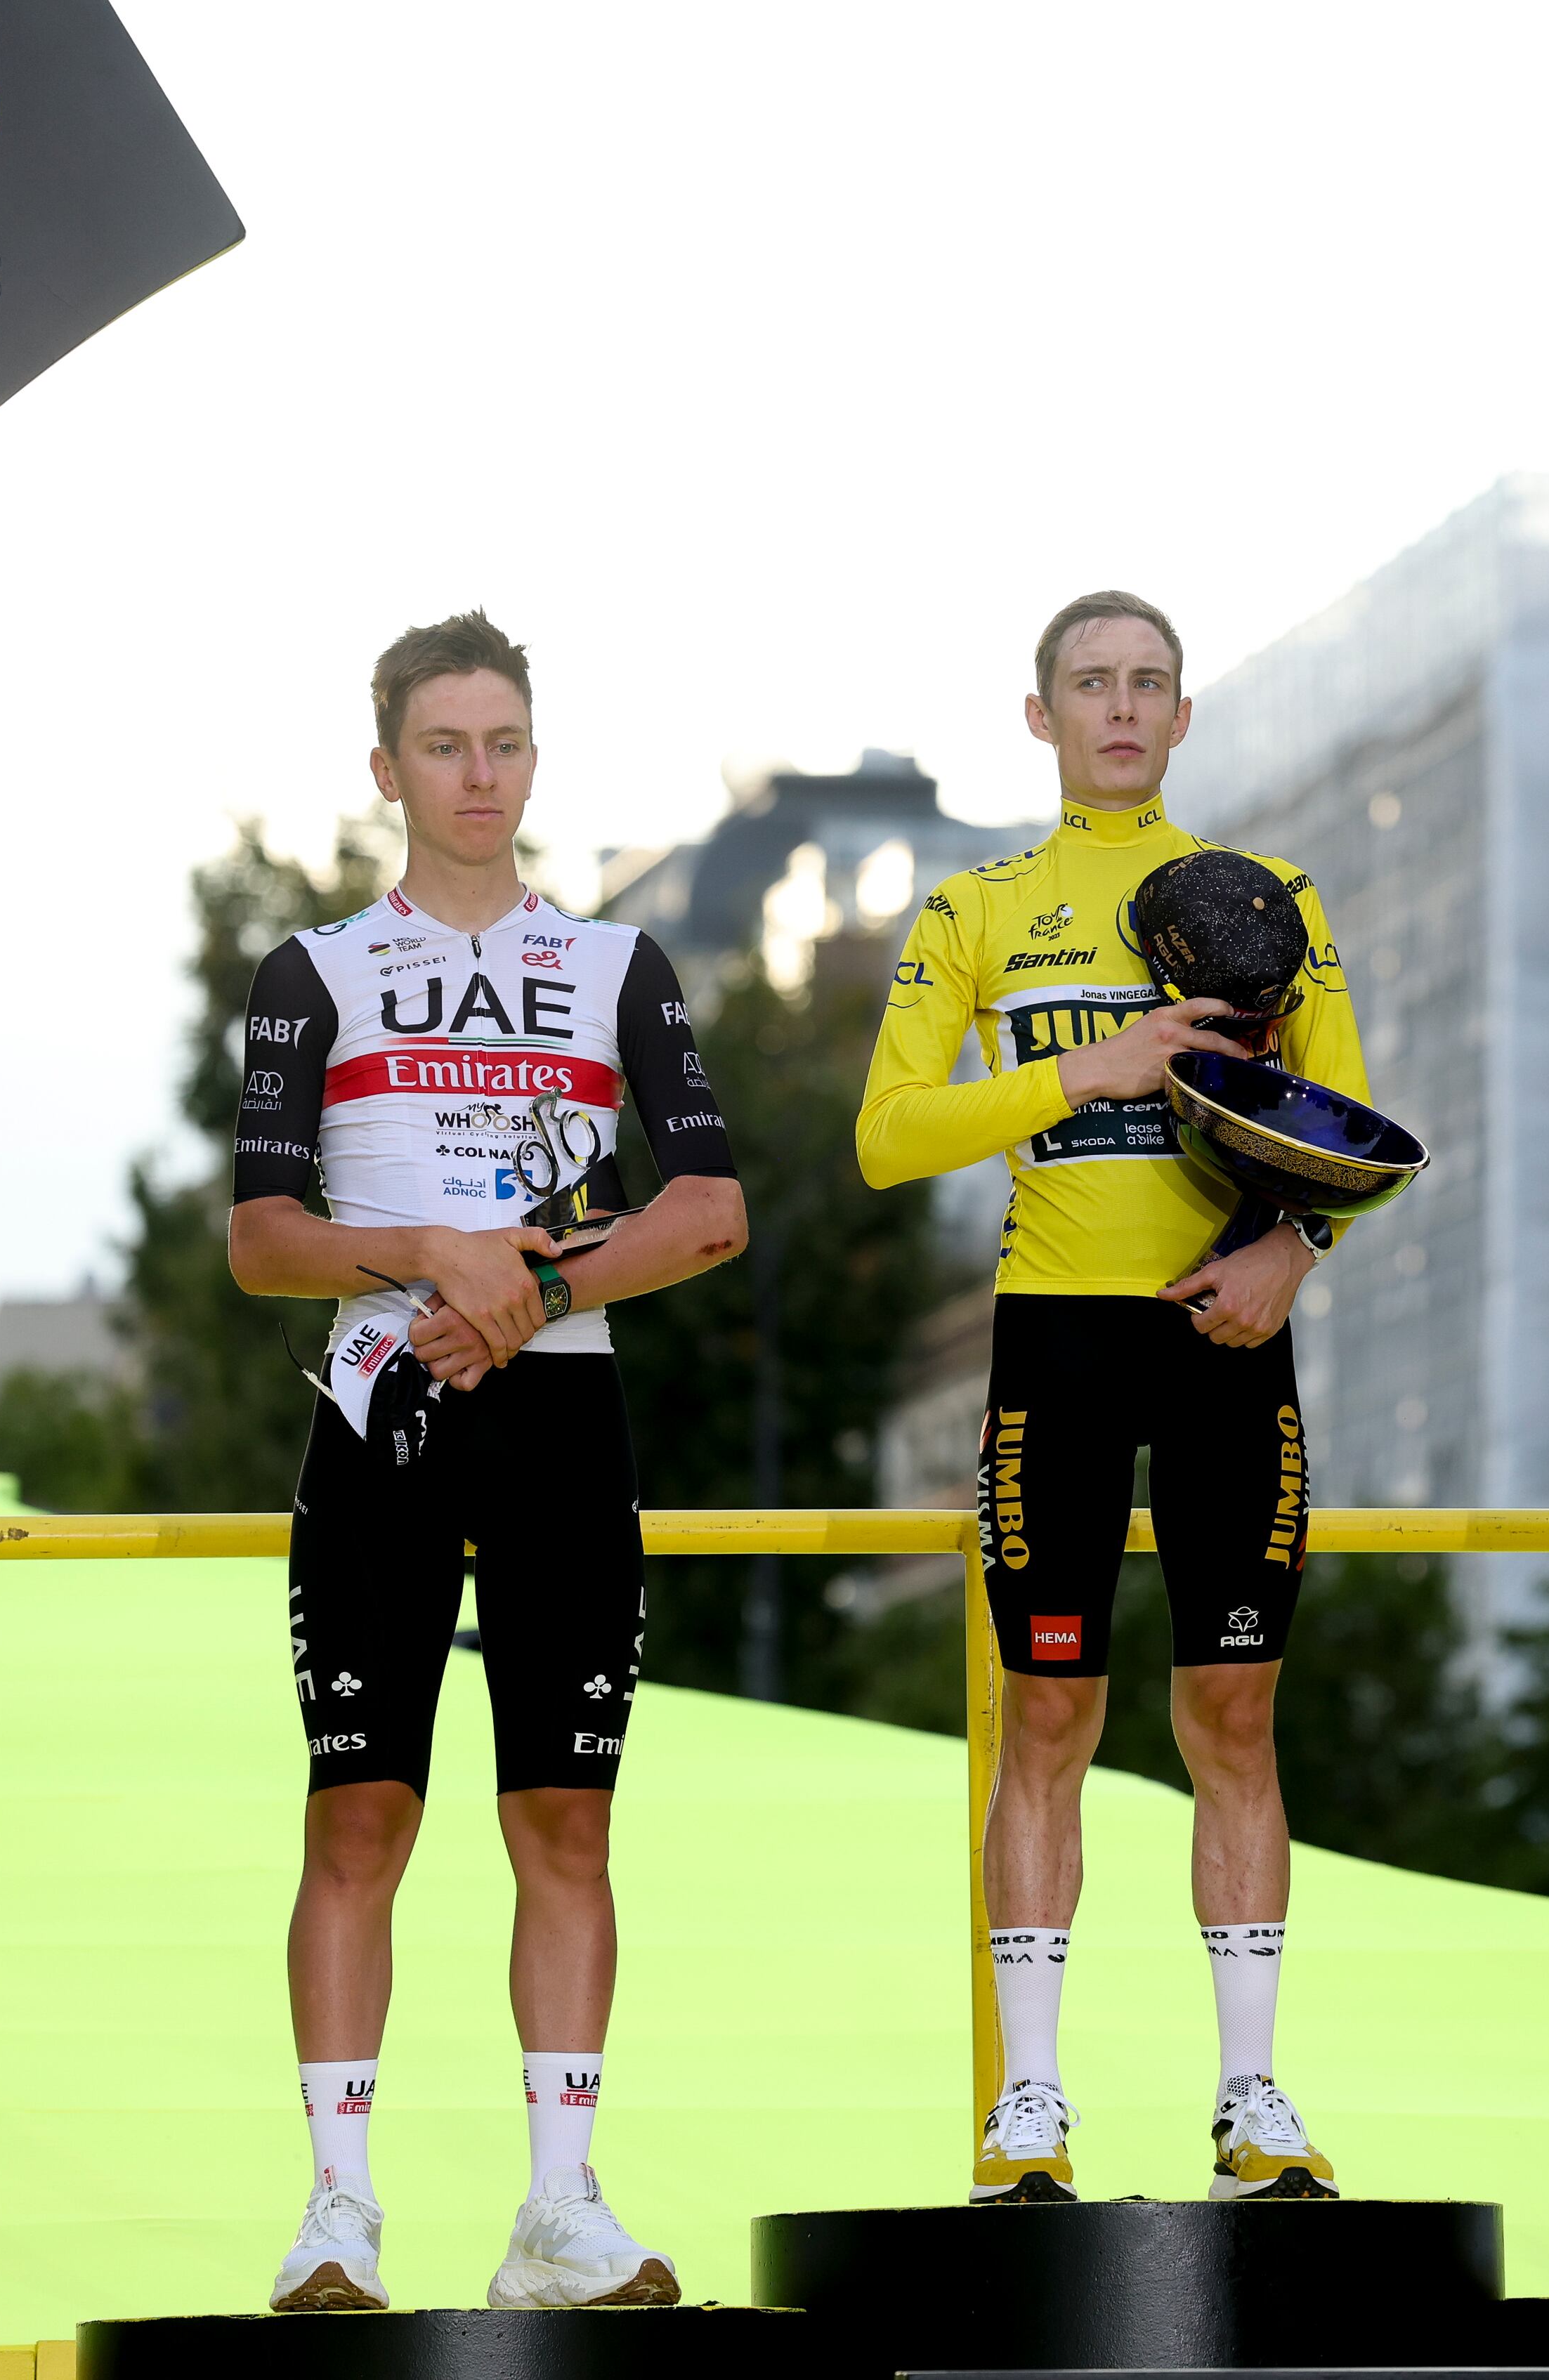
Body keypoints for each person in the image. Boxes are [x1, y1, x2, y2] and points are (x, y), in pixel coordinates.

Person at [229, 611, 747, 2313]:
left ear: (535, 756)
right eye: (443, 745)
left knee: (567, 1822)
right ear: (386, 768)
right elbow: (261, 1237)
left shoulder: (617, 968)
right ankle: (335, 2208)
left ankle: (559, 2209)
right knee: (359, 1810)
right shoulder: (312, 968)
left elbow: (709, 1209)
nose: (477, 773)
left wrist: (531, 1286)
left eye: (503, 741)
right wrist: (427, 1252)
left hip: (559, 1411)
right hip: (383, 1403)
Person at [858, 591, 1364, 2205]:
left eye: (1150, 682)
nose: (1123, 708)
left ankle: (1254, 2097)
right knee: (1050, 1716)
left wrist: (1295, 1243)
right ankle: (1029, 2109)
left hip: (1224, 1335)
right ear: (1040, 715)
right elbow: (888, 1134)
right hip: (1059, 1340)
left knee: (1233, 1713)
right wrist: (1092, 1065)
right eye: (1093, 683)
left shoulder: (1270, 895)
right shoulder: (976, 909)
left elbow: (1351, 1122)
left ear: (1184, 713)